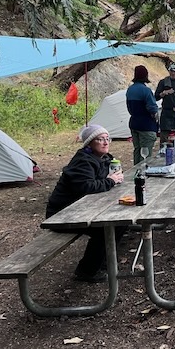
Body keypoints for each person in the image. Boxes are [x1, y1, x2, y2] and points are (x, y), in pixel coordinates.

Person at [45, 125, 125, 282]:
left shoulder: (104, 158)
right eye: (100, 139)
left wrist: (114, 177)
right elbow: (86, 187)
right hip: (62, 214)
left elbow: (102, 180)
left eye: (107, 138)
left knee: (120, 222)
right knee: (106, 228)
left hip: (81, 210)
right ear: (89, 143)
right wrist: (110, 181)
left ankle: (103, 261)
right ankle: (87, 271)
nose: (105, 142)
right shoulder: (83, 161)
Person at [126, 65, 159, 165]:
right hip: (146, 125)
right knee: (145, 153)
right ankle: (143, 174)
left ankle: (135, 172)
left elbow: (128, 107)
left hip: (134, 122)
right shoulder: (146, 90)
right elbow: (152, 108)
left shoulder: (130, 90)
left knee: (137, 150)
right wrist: (156, 118)